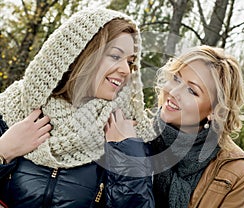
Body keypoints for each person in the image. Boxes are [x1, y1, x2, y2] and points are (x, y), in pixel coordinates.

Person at [0, 7, 154, 207]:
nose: (126, 70)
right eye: (115, 56)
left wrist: (127, 152)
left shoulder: (126, 131)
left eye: (131, 62)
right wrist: (4, 151)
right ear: (81, 53)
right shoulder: (12, 110)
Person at [108, 45, 244, 208]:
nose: (174, 92)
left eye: (192, 90)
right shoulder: (128, 133)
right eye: (176, 79)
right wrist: (125, 149)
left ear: (215, 110)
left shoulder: (236, 170)